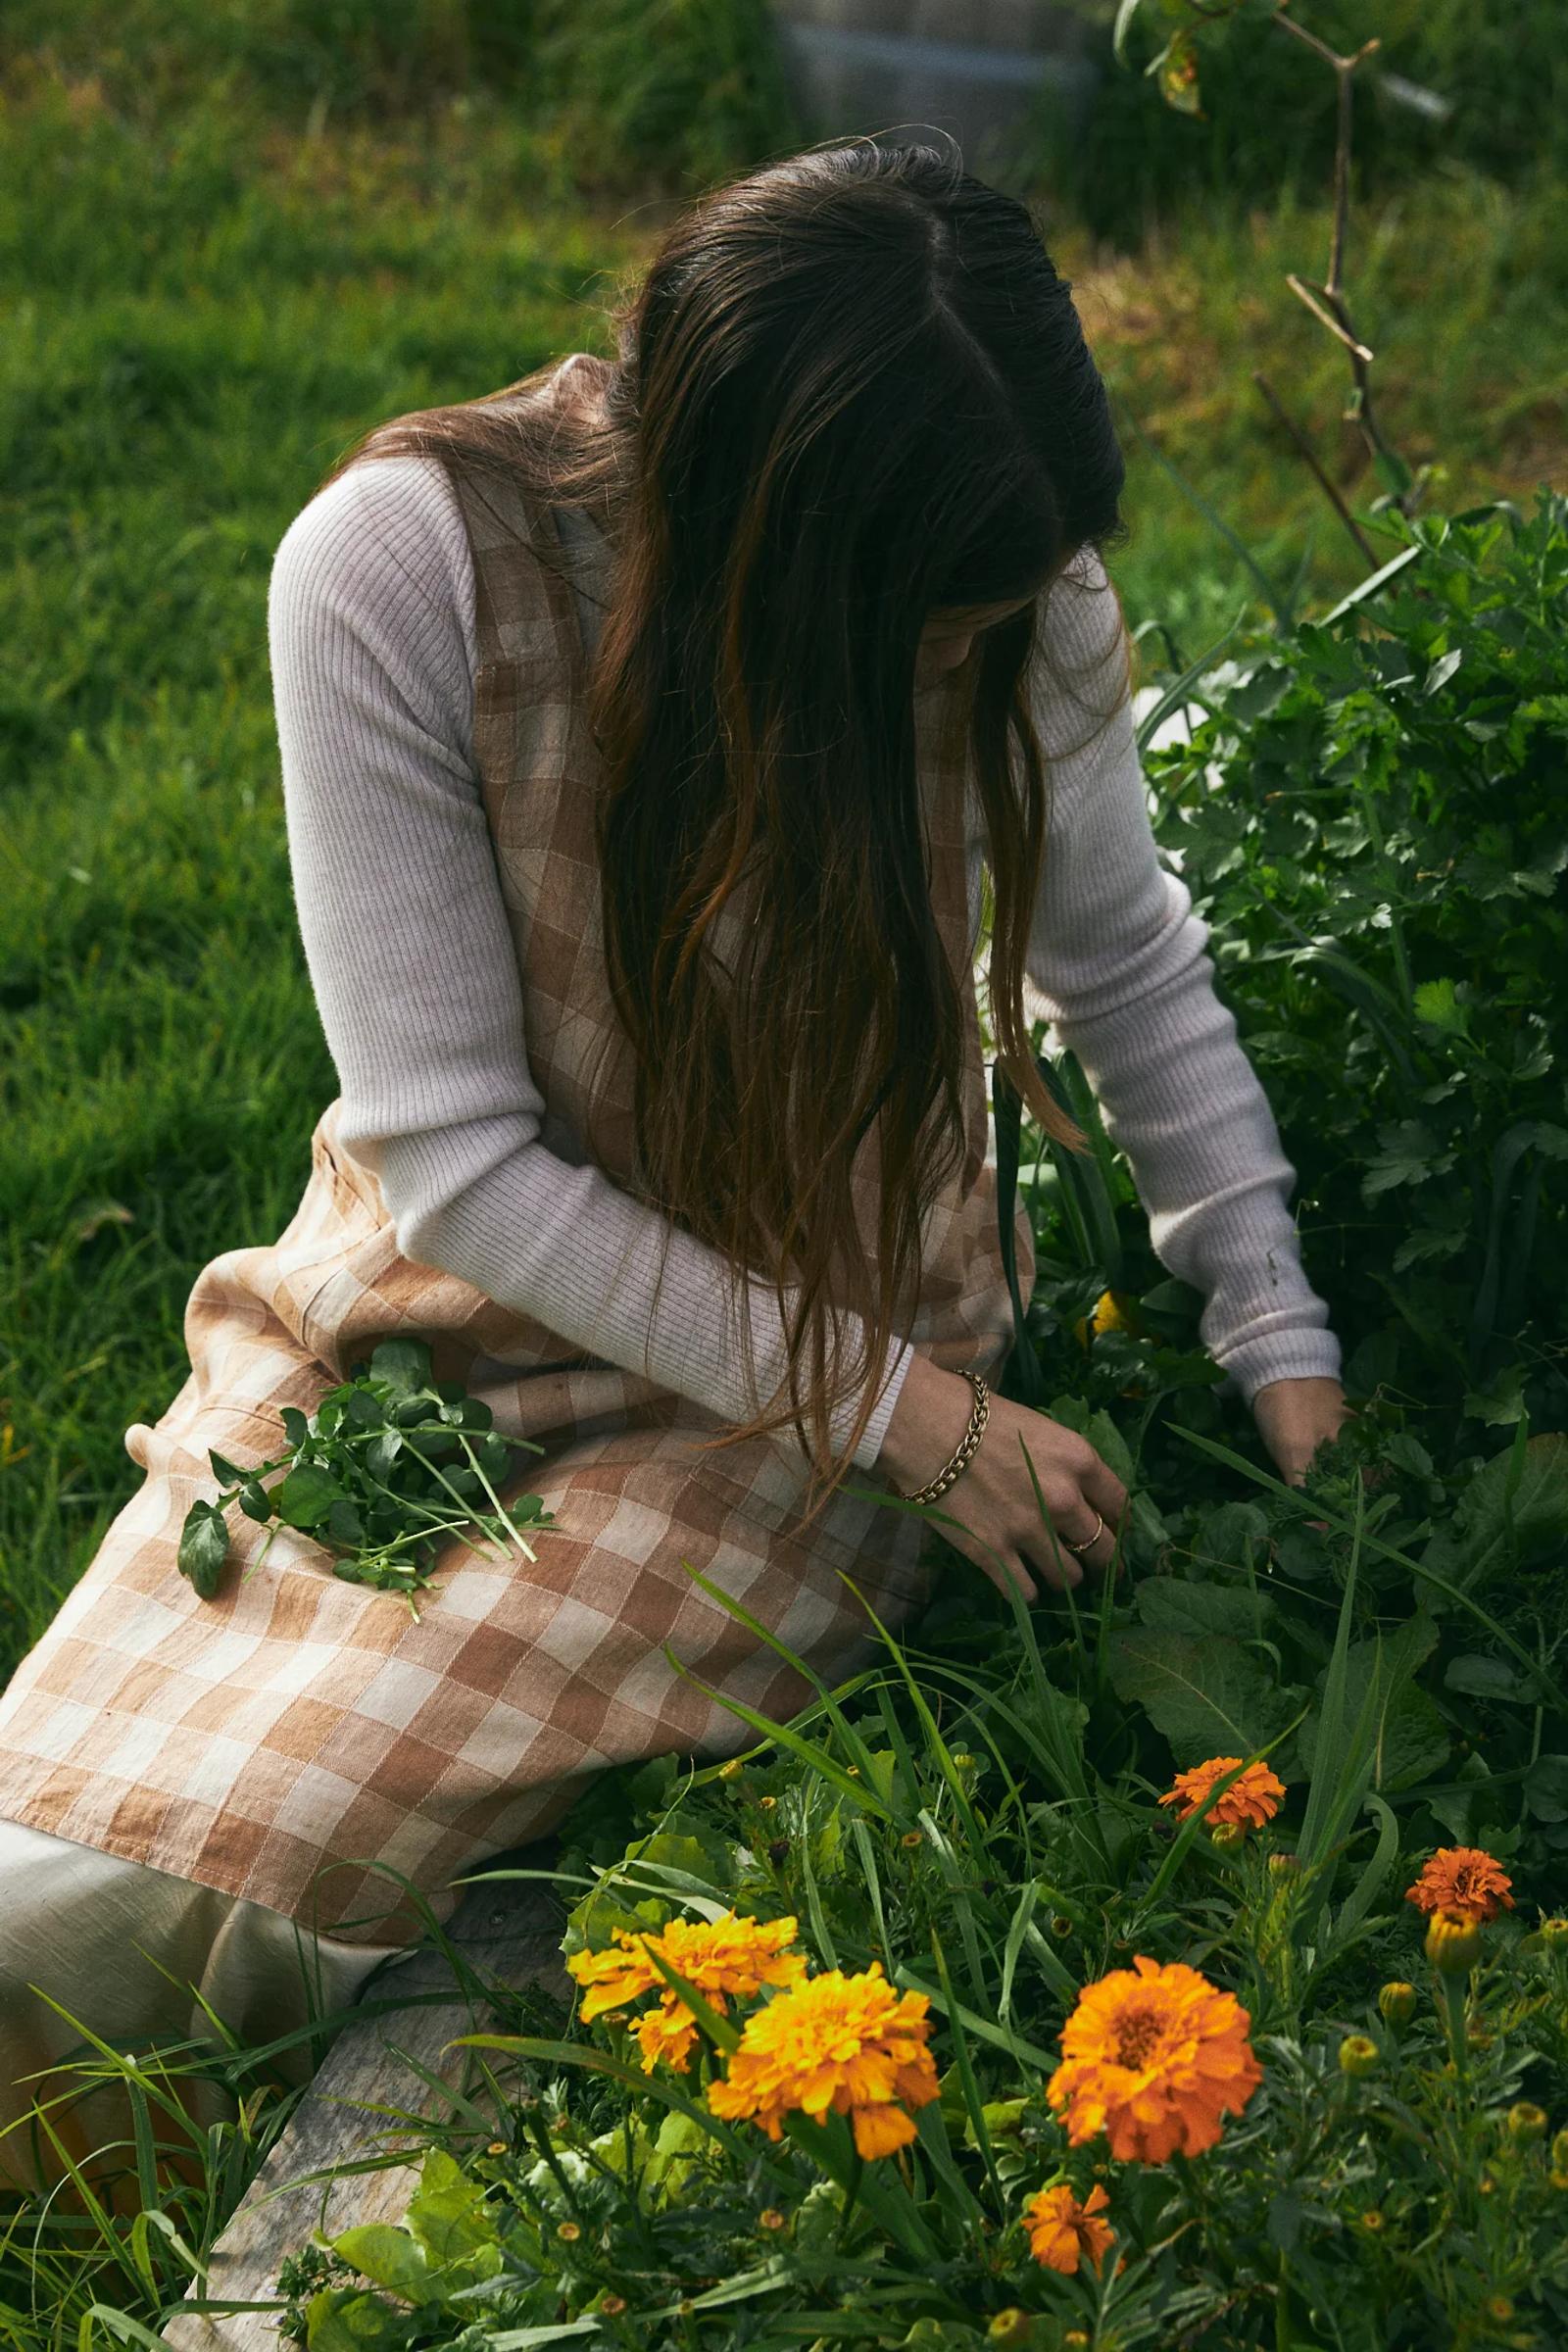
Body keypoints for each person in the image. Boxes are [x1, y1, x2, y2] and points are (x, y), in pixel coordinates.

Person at [0, 138, 1348, 2187]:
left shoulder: (1010, 599)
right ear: (765, 551)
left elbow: (1125, 970)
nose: (958, 666)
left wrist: (1271, 1328)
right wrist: (925, 1425)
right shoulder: (398, 571)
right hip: (417, 1334)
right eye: (923, 635)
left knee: (276, 1830)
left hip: (797, 1395)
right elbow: (453, 1163)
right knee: (92, 1785)